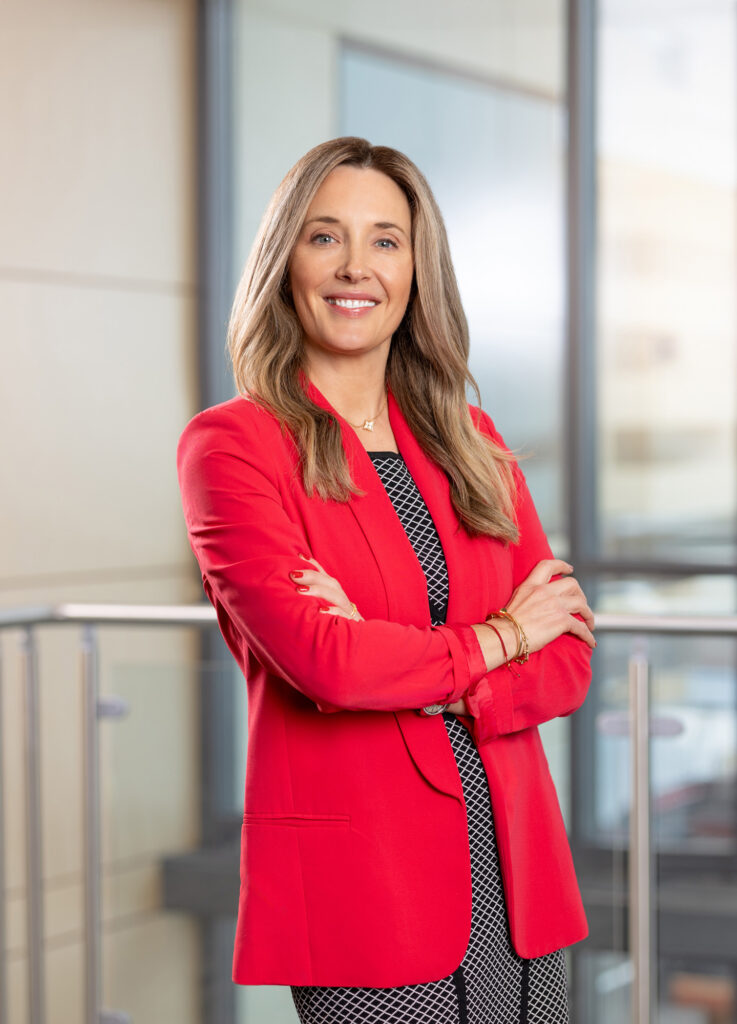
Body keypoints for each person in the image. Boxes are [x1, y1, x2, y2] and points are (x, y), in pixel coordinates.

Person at [176, 136, 595, 1024]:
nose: (354, 266)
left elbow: (567, 662)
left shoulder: (470, 438)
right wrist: (501, 637)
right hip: (366, 882)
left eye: (385, 240)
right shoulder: (235, 445)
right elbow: (325, 661)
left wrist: (416, 673)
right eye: (325, 237)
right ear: (285, 259)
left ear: (416, 269)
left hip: (517, 873)